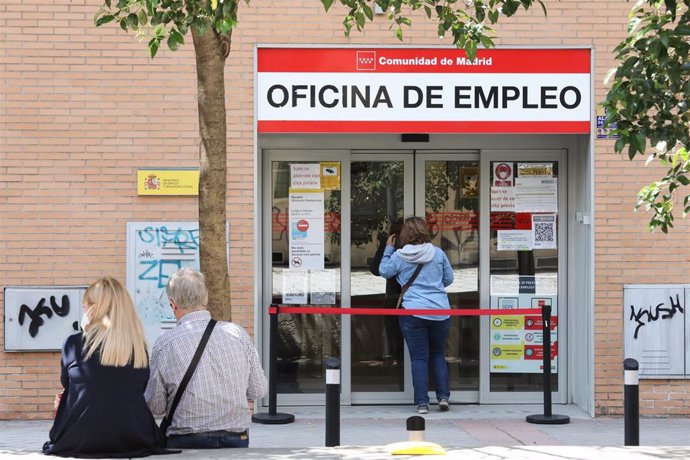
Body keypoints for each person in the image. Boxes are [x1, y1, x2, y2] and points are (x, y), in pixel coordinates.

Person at [43, 277, 168, 458]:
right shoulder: (138, 347)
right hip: (134, 436)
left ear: (95, 309)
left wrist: (85, 332)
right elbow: (138, 388)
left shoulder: (74, 343)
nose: (83, 310)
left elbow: (67, 384)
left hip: (78, 438)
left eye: (85, 306)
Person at [145, 268, 268, 449]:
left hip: (186, 439)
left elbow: (156, 407)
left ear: (173, 304)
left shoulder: (165, 343)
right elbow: (258, 391)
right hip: (235, 438)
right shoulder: (237, 334)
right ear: (206, 297)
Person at [378, 216, 454, 414]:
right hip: (439, 311)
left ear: (405, 234)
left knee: (419, 358)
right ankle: (443, 397)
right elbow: (449, 279)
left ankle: (422, 403)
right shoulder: (438, 253)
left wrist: (388, 248)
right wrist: (433, 287)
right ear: (425, 231)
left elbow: (383, 271)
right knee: (438, 354)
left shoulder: (400, 256)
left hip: (413, 312)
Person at [369, 218, 405, 365]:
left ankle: (404, 383)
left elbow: (377, 269)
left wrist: (386, 245)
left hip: (395, 300)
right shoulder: (421, 250)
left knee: (399, 345)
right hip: (406, 301)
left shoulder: (401, 251)